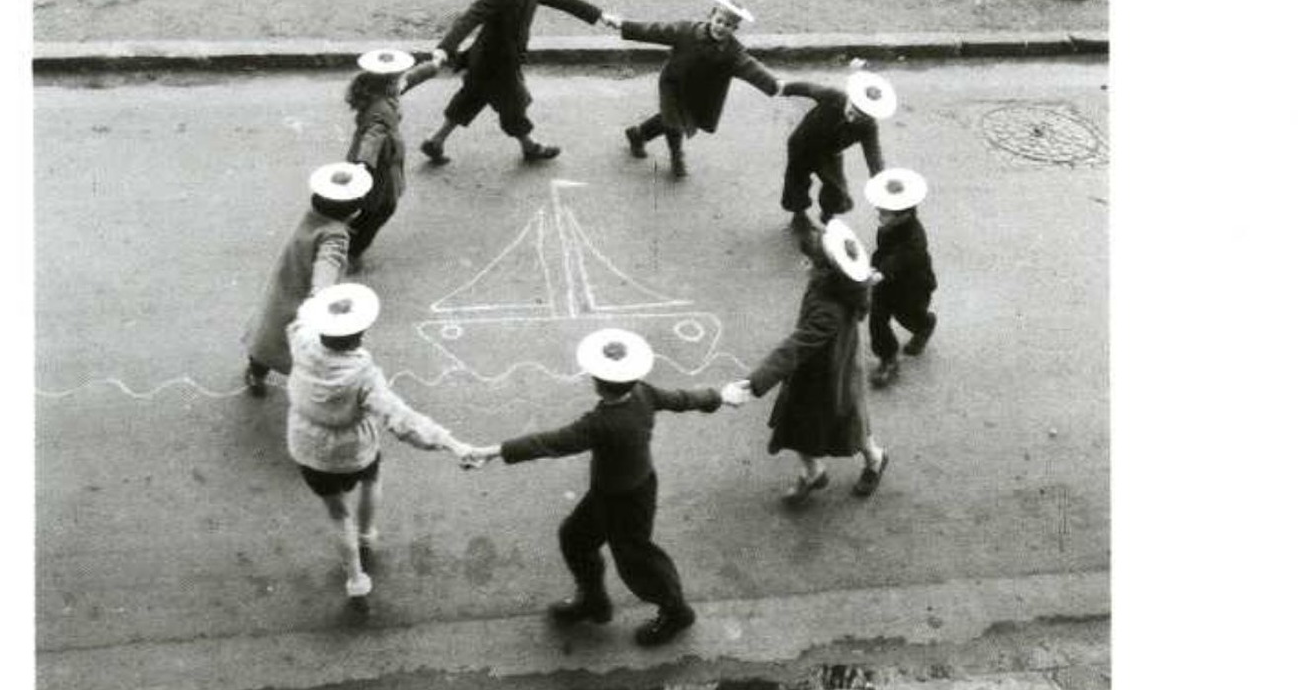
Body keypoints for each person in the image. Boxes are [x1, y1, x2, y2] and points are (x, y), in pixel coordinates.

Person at [461, 328, 742, 647]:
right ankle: (594, 602)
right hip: (620, 491)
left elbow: (549, 442)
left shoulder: (602, 423)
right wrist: (720, 396)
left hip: (626, 501)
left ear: (596, 381)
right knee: (575, 538)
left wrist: (490, 452)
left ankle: (677, 613)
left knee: (637, 563)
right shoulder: (643, 394)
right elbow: (681, 399)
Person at [285, 283, 476, 607]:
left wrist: (323, 302)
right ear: (359, 336)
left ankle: (356, 579)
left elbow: (299, 319)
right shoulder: (363, 375)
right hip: (352, 450)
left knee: (336, 513)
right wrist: (451, 443)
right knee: (372, 478)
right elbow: (403, 420)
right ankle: (367, 534)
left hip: (307, 445)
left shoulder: (301, 342)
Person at [724, 218, 890, 503]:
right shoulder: (847, 285)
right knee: (823, 420)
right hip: (834, 366)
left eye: (809, 260)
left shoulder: (829, 308)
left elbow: (796, 347)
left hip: (826, 372)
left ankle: (873, 458)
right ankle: (816, 470)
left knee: (839, 420)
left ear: (824, 268)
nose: (804, 264)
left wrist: (754, 383)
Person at [420, 0, 621, 165]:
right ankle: (530, 146)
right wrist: (445, 47)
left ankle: (435, 141)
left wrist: (599, 15)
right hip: (496, 62)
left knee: (471, 98)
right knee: (514, 105)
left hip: (490, 59)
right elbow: (470, 18)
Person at [617, 0, 786, 179]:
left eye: (728, 25)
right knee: (674, 123)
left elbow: (751, 68)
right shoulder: (687, 31)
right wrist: (624, 25)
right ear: (711, 16)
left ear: (735, 29)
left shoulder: (732, 52)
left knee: (675, 119)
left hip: (698, 92)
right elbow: (655, 30)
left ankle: (639, 134)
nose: (721, 27)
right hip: (673, 84)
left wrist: (774, 83)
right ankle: (676, 157)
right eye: (719, 20)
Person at [242, 161, 373, 397]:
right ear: (354, 211)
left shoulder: (313, 215)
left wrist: (354, 175)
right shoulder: (335, 235)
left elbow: (336, 194)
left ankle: (255, 372)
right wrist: (321, 297)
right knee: (298, 349)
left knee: (266, 336)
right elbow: (328, 262)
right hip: (300, 300)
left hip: (282, 286)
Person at [345, 48, 441, 265]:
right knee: (382, 208)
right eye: (397, 75)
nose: (400, 79)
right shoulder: (380, 109)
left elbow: (410, 79)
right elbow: (373, 138)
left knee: (371, 206)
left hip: (381, 160)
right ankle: (352, 250)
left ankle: (348, 233)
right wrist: (363, 165)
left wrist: (433, 66)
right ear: (388, 80)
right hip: (377, 166)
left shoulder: (382, 90)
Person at [778, 60, 895, 233]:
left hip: (830, 154)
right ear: (852, 98)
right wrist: (783, 88)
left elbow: (874, 155)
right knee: (796, 181)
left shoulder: (869, 127)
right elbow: (809, 88)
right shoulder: (835, 96)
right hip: (802, 144)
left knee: (837, 188)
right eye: (854, 110)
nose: (854, 118)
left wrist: (879, 180)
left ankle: (828, 215)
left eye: (863, 116)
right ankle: (799, 216)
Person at [864, 167, 939, 387]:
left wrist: (881, 272)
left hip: (911, 287)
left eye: (884, 212)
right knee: (877, 319)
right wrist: (873, 268)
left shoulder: (915, 236)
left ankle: (925, 324)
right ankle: (888, 359)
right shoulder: (887, 227)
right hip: (887, 284)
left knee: (907, 316)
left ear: (903, 214)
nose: (879, 214)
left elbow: (901, 257)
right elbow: (883, 252)